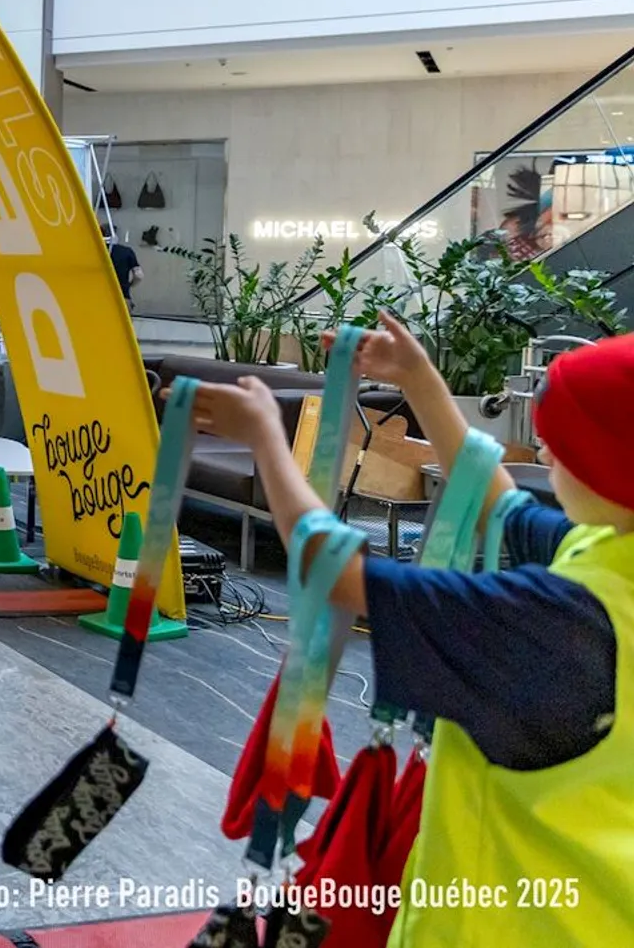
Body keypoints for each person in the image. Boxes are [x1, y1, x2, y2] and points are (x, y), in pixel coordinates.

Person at [189, 314, 634, 947]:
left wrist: (267, 438)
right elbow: (496, 499)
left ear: (609, 464)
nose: (545, 453)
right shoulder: (605, 553)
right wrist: (418, 379)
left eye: (564, 441)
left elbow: (334, 569)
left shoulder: (552, 619)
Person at [108, 229, 143, 306]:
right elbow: (139, 275)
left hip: (95, 296)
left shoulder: (91, 251)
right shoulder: (126, 251)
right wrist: (129, 285)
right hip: (122, 296)